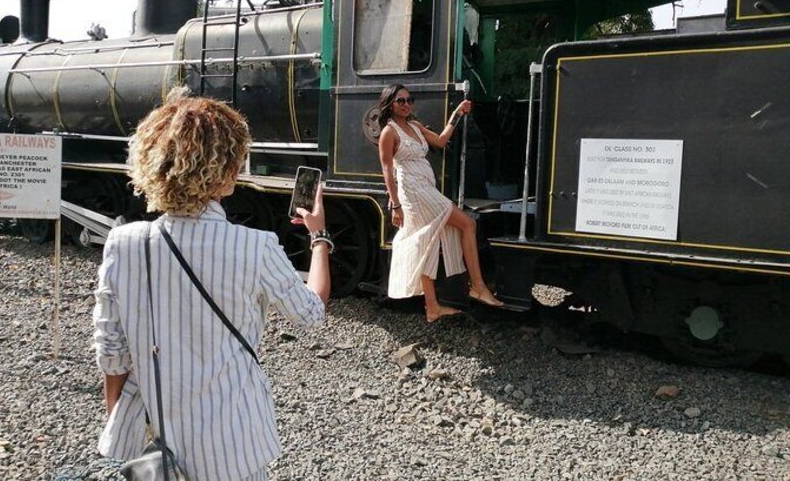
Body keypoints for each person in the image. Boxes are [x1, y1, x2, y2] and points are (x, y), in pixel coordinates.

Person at [92, 90, 331, 480]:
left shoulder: (124, 243)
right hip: (233, 443)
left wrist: (130, 437)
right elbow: (311, 312)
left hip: (156, 444)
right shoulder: (256, 248)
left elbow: (112, 353)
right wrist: (319, 238)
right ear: (227, 171)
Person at [377, 84, 505, 322]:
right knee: (467, 224)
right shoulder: (389, 132)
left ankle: (432, 307)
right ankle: (477, 286)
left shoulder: (414, 126)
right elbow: (386, 168)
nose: (406, 105)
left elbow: (441, 140)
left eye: (409, 100)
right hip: (412, 191)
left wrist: (457, 114)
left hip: (425, 187)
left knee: (428, 242)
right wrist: (395, 204)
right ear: (390, 104)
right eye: (400, 101)